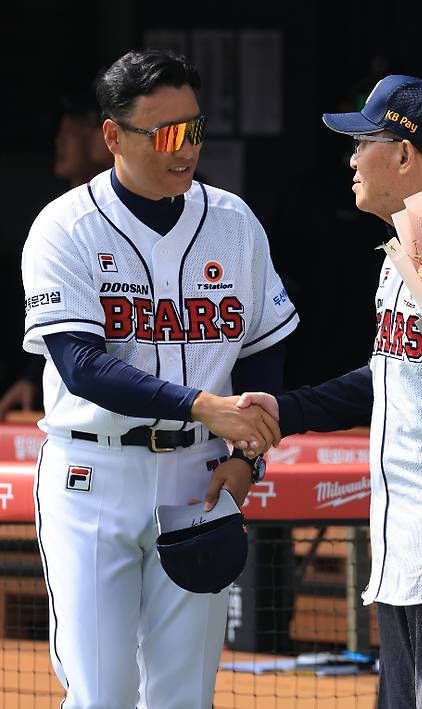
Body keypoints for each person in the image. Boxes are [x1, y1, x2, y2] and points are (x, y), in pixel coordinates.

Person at [207, 75, 422, 709]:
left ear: (405, 154)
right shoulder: (411, 247)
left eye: (364, 141)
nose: (352, 158)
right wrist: (289, 409)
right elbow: (389, 375)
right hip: (415, 543)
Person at [21, 49, 298, 708]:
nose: (185, 149)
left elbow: (266, 348)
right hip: (94, 476)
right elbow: (81, 365)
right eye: (167, 134)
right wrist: (205, 406)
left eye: (194, 129)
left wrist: (246, 458)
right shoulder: (66, 228)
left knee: (183, 696)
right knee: (103, 693)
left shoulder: (234, 221)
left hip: (198, 480)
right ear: (113, 136)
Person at [0, 87, 114, 419]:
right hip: (76, 417)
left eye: (73, 130)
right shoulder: (53, 217)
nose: (60, 142)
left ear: (108, 134)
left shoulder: (168, 200)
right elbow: (60, 317)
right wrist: (30, 377)